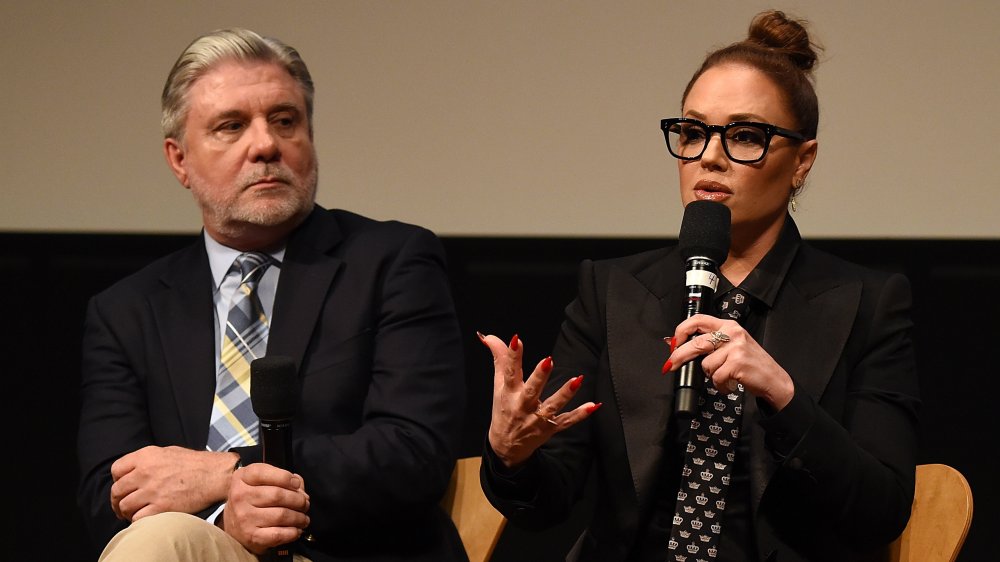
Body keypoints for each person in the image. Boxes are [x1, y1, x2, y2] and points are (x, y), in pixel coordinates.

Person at [479, 10, 919, 562]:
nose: (709, 155)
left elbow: (881, 512)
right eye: (692, 132)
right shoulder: (612, 291)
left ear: (802, 161)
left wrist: (784, 398)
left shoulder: (867, 304)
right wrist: (512, 456)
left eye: (744, 136)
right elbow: (548, 506)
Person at [76, 28, 468, 562]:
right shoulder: (127, 310)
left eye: (285, 121)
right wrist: (222, 517)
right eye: (231, 126)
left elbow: (413, 451)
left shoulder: (391, 261)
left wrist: (226, 472)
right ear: (179, 161)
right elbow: (110, 492)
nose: (265, 145)